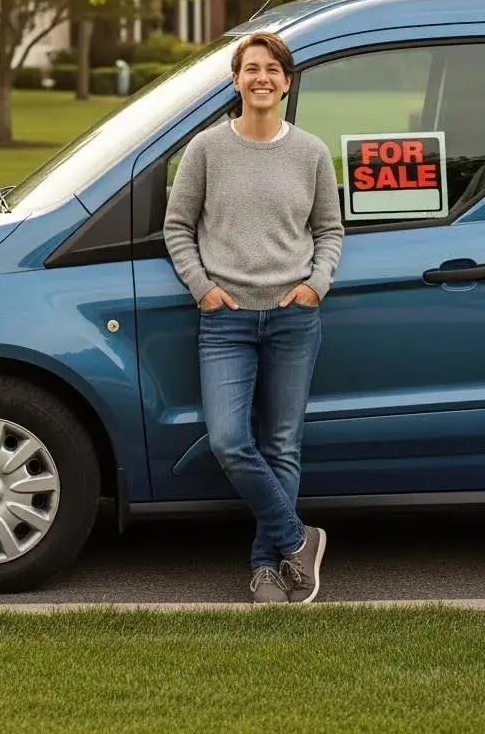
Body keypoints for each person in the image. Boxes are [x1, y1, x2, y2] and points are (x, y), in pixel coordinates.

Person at [163, 31, 344, 604]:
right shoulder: (207, 150)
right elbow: (177, 227)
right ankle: (298, 538)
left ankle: (268, 566)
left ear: (287, 82)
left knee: (282, 444)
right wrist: (204, 289)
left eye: (272, 69)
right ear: (236, 81)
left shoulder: (311, 153)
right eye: (250, 69)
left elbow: (329, 231)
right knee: (228, 440)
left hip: (294, 318)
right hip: (227, 320)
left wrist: (316, 286)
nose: (261, 77)